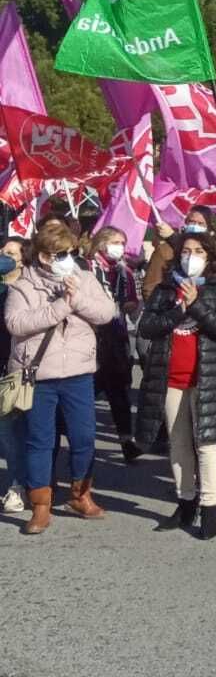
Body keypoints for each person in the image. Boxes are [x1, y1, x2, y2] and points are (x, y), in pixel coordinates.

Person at [7, 218, 116, 534]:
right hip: (39, 375)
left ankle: (81, 495)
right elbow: (16, 323)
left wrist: (76, 298)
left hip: (78, 373)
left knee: (84, 438)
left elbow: (106, 313)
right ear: (44, 256)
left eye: (70, 252)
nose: (69, 258)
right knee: (40, 441)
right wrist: (59, 307)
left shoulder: (83, 277)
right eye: (61, 253)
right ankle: (41, 505)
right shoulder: (23, 285)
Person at [136, 230, 216, 541]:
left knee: (206, 443)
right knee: (178, 443)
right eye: (186, 250)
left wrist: (195, 306)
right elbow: (148, 327)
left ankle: (209, 505)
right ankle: (186, 501)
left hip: (206, 378)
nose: (190, 256)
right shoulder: (166, 290)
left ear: (209, 258)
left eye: (198, 251)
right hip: (171, 378)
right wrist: (178, 309)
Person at [87, 227, 141, 464]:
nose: (120, 246)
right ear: (101, 243)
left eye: (123, 242)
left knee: (119, 391)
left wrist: (130, 305)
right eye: (115, 241)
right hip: (91, 334)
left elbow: (131, 301)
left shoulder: (123, 271)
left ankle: (126, 440)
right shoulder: (87, 268)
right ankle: (81, 440)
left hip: (116, 335)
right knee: (89, 389)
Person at [0, 237, 24, 512]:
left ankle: (18, 484)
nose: (4, 256)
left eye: (11, 253)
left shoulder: (26, 287)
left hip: (14, 367)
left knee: (11, 431)